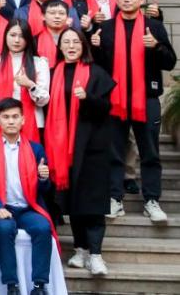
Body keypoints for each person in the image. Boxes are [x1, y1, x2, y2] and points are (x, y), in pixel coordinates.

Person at [90, 0, 176, 221]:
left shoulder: (153, 27)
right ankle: (115, 198)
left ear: (141, 0)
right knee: (114, 151)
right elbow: (98, 68)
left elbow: (170, 62)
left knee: (150, 152)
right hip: (114, 99)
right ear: (116, 0)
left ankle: (151, 200)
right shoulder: (105, 28)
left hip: (146, 98)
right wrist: (95, 48)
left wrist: (156, 46)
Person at [47, 28, 115, 275]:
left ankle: (96, 254)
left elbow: (107, 108)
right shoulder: (52, 73)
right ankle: (80, 249)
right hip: (62, 149)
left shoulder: (96, 72)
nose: (71, 46)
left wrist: (87, 98)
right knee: (74, 202)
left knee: (92, 204)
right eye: (66, 42)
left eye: (76, 41)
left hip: (91, 148)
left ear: (84, 45)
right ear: (60, 47)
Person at [0, 98, 57, 295]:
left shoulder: (36, 148)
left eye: (15, 116)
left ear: (23, 120)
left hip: (28, 207)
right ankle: (11, 285)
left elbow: (45, 189)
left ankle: (39, 285)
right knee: (4, 229)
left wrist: (43, 178)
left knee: (43, 227)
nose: (11, 121)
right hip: (2, 207)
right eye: (6, 117)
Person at [0, 20, 49, 143]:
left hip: (34, 122)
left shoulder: (39, 63)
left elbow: (44, 100)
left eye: (22, 36)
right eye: (12, 35)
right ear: (5, 36)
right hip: (3, 123)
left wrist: (30, 85)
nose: (16, 40)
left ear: (28, 39)